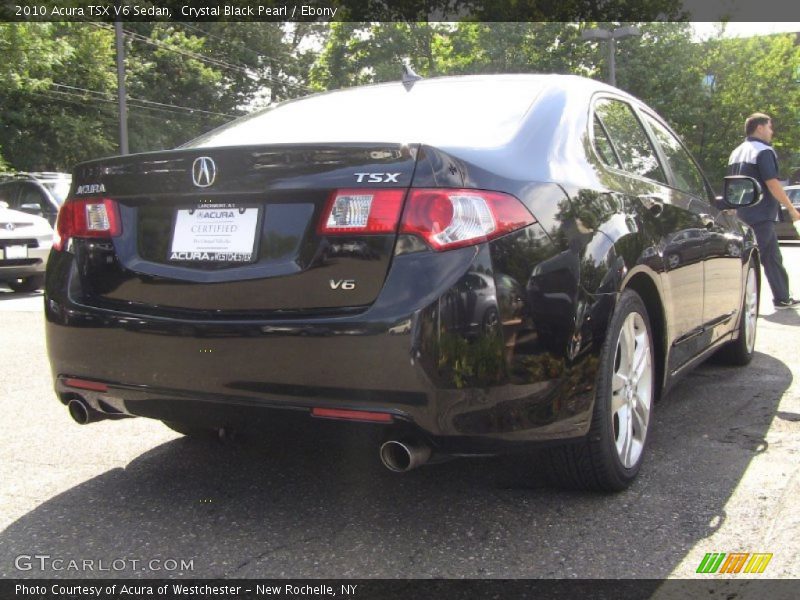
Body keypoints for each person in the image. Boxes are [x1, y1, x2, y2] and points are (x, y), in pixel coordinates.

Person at [727, 113, 800, 309]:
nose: (771, 131)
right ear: (759, 128)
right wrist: (791, 209)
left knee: (771, 256)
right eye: (769, 127)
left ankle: (782, 296)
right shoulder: (763, 150)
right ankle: (744, 303)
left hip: (741, 214)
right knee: (759, 256)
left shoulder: (737, 151)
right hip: (760, 214)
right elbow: (772, 182)